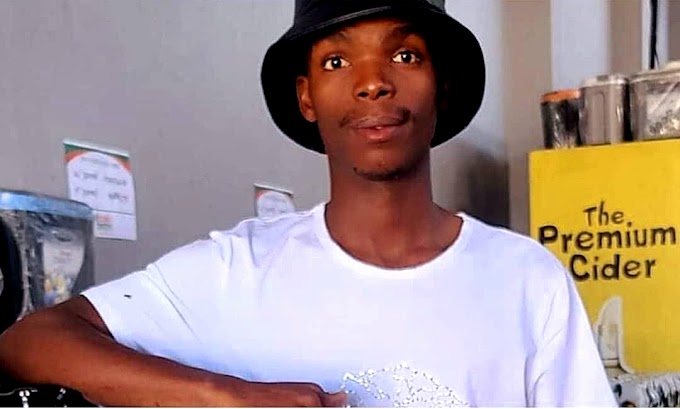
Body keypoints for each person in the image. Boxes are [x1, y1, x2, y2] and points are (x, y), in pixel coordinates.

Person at [0, 0, 617, 407]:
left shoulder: (525, 279)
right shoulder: (236, 270)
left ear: (442, 86)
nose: (372, 82)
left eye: (405, 55)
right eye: (337, 60)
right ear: (306, 97)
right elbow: (29, 342)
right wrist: (225, 396)